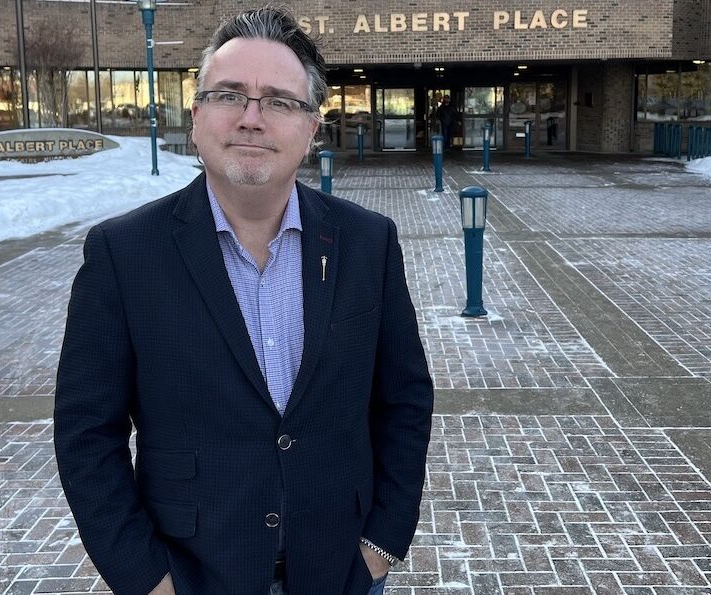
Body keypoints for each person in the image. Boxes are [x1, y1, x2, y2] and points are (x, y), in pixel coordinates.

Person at [54, 7, 434, 595]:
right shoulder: (123, 254)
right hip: (193, 575)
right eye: (232, 95)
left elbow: (404, 399)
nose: (252, 119)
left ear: (312, 128)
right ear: (197, 114)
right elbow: (86, 433)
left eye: (280, 101)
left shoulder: (367, 242)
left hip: (341, 573)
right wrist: (145, 579)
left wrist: (381, 544)